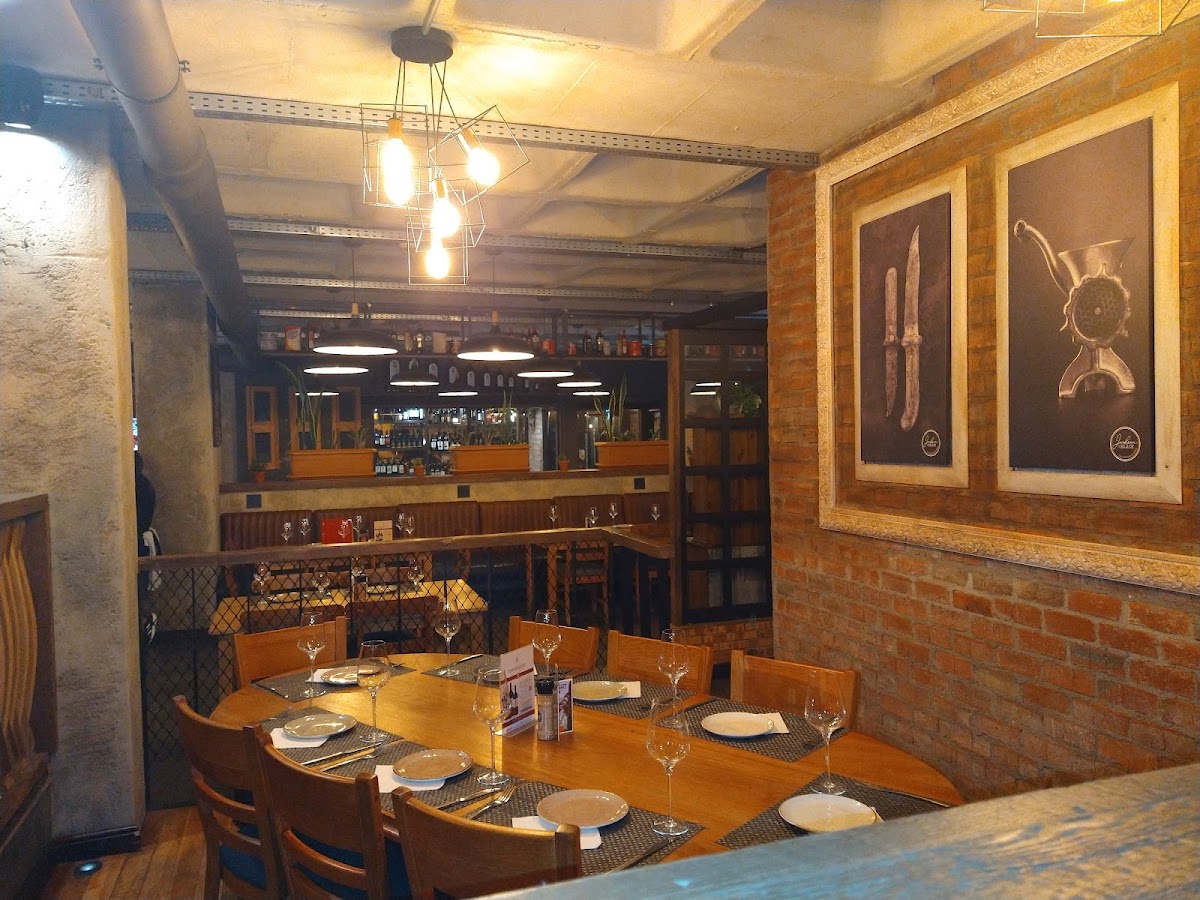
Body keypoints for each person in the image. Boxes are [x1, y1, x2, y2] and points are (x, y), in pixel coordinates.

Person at [135, 451, 161, 644]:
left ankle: (144, 626)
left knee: (140, 593)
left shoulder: (140, 486)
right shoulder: (144, 484)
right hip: (140, 542)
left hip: (138, 544)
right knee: (140, 593)